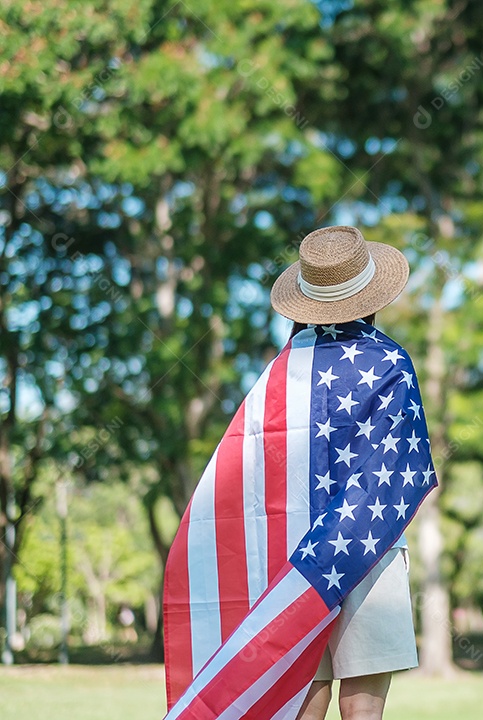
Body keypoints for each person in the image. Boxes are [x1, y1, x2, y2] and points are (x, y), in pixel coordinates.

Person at [162, 226, 436, 720]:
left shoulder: (280, 370)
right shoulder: (391, 361)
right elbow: (401, 465)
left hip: (293, 558)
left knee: (302, 704)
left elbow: (250, 467)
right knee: (363, 710)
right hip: (371, 547)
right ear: (370, 293)